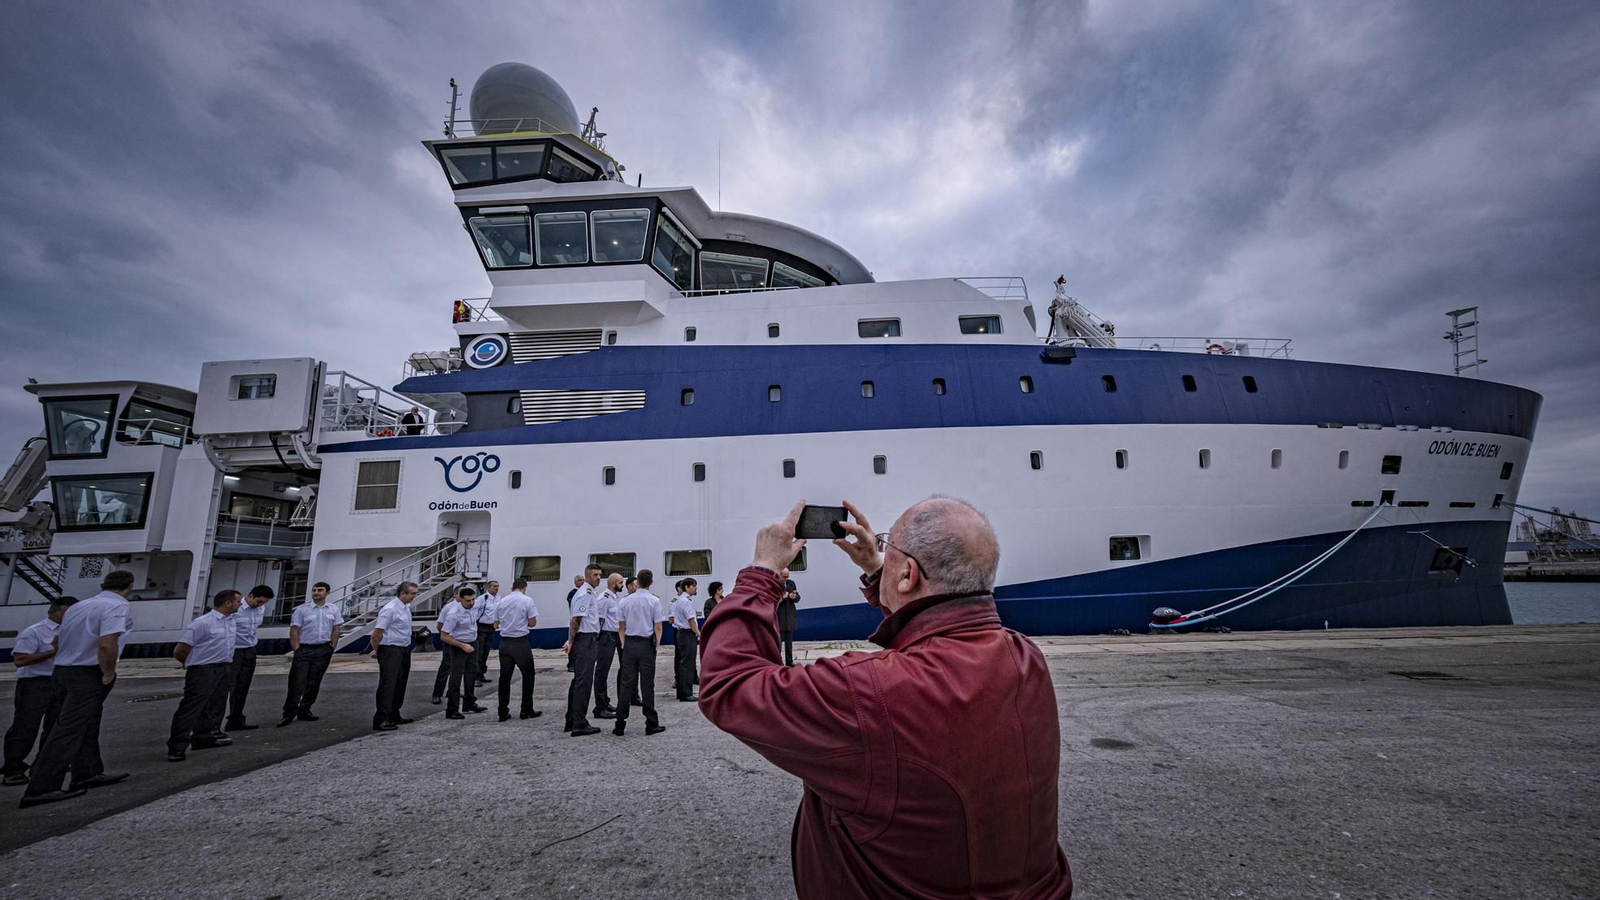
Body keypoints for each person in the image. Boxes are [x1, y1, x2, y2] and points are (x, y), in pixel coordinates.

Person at [699, 499, 1073, 899]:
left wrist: (762, 572)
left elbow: (729, 682)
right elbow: (936, 627)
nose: (881, 550)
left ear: (909, 574)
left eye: (887, 545)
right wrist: (881, 569)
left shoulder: (867, 691)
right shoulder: (1024, 657)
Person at [21, 570, 137, 808]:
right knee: (69, 729)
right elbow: (107, 644)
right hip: (87, 673)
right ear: (130, 586)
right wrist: (108, 672)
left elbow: (56, 641)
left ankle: (87, 772)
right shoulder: (117, 606)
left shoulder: (78, 607)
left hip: (62, 671)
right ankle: (42, 787)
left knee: (88, 723)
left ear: (102, 585)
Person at [3, 596, 76, 786]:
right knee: (25, 727)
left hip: (60, 682)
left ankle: (43, 766)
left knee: (55, 727)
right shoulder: (34, 632)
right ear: (51, 612)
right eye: (65, 613)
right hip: (35, 683)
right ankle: (13, 769)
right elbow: (20, 660)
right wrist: (53, 651)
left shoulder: (72, 631)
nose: (68, 617)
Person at [166, 590, 243, 762]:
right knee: (191, 707)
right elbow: (180, 650)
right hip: (203, 669)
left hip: (224, 667)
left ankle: (204, 737)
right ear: (228, 603)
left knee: (215, 705)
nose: (240, 604)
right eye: (238, 601)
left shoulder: (231, 621)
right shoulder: (202, 623)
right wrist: (192, 663)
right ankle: (177, 747)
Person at [280, 581, 342, 727]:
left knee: (314, 682)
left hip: (323, 649)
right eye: (314, 590)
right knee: (297, 681)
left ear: (327, 592)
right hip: (305, 649)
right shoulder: (301, 610)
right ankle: (289, 713)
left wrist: (332, 646)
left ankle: (305, 709)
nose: (316, 593)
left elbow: (336, 629)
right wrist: (297, 649)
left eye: (320, 590)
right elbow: (294, 630)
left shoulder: (333, 609)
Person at [614, 569, 666, 737]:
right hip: (646, 644)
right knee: (647, 684)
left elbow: (621, 627)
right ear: (651, 582)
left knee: (626, 684)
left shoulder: (625, 601)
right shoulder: (654, 601)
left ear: (637, 582)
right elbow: (658, 626)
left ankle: (620, 723)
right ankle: (651, 723)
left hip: (630, 643)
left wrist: (624, 643)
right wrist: (656, 644)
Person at [369, 582, 419, 732]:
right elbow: (376, 634)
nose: (415, 596)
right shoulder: (390, 609)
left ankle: (394, 713)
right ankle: (381, 719)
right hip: (390, 650)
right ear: (402, 594)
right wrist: (377, 651)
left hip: (403, 649)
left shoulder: (406, 608)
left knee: (400, 683)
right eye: (412, 593)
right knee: (388, 684)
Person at [562, 564, 604, 736]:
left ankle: (572, 719)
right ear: (586, 576)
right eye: (595, 575)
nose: (598, 578)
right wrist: (571, 641)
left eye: (600, 575)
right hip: (585, 640)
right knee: (583, 682)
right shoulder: (585, 594)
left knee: (579, 680)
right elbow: (576, 620)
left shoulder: (589, 592)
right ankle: (579, 723)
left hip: (586, 639)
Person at [225, 584, 273, 731]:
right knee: (227, 685)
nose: (261, 605)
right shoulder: (236, 608)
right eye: (259, 601)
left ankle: (236, 718)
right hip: (233, 650)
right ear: (250, 596)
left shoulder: (260, 609)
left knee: (243, 685)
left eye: (264, 603)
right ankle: (213, 724)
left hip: (249, 649)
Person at [433, 587, 485, 718]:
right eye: (468, 600)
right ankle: (452, 709)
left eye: (473, 599)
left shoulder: (473, 607)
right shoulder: (453, 614)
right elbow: (444, 635)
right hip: (458, 645)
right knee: (456, 677)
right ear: (460, 599)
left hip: (472, 642)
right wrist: (462, 645)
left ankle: (469, 702)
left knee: (471, 674)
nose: (471, 603)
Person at [493, 579, 540, 721]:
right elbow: (532, 623)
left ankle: (502, 711)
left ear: (511, 587)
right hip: (520, 642)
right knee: (528, 674)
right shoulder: (527, 600)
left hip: (504, 643)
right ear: (524, 588)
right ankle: (526, 709)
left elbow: (495, 625)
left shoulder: (501, 602)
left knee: (504, 677)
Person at [592, 573, 623, 719]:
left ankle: (605, 702)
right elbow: (599, 620)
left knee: (605, 670)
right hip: (606, 636)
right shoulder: (603, 598)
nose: (622, 585)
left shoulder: (614, 598)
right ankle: (600, 707)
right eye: (620, 582)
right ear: (613, 583)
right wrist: (597, 640)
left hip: (614, 635)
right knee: (602, 671)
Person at [671, 578, 702, 702]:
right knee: (687, 664)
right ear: (687, 587)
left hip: (681, 633)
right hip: (687, 634)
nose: (695, 588)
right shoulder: (686, 601)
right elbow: (691, 621)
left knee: (682, 663)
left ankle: (681, 691)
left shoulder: (680, 599)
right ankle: (686, 693)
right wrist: (698, 633)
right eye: (693, 586)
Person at [473, 580, 499, 686]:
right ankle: (476, 676)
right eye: (494, 586)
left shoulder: (498, 598)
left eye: (497, 586)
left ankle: (481, 673)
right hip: (481, 627)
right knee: (479, 652)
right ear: (489, 587)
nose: (496, 588)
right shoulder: (482, 598)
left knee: (486, 652)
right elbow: (474, 610)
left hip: (491, 627)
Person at [777, 567, 801, 665]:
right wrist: (783, 597)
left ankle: (789, 662)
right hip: (780, 617)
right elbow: (772, 599)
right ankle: (777, 662)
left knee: (789, 644)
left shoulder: (791, 583)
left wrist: (794, 597)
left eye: (787, 576)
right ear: (779, 575)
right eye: (784, 577)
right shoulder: (775, 584)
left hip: (790, 617)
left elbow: (798, 597)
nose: (786, 579)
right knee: (778, 643)